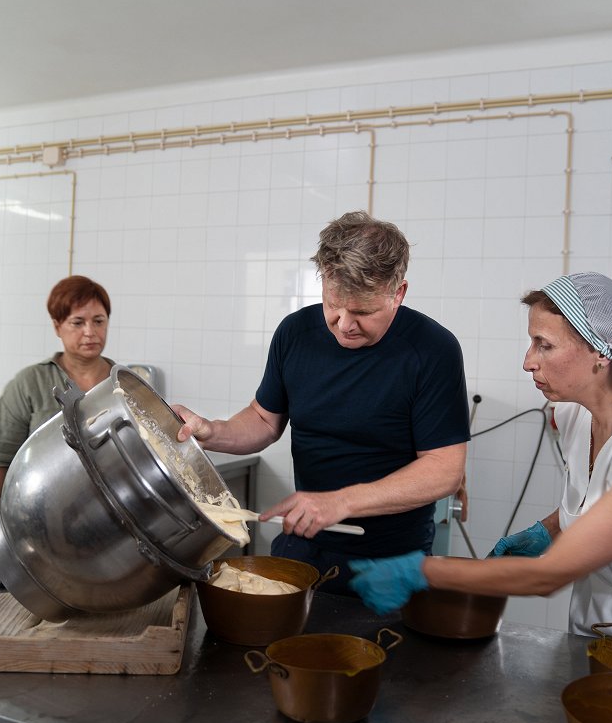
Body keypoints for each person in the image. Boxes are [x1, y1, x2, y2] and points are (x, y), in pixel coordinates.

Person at [174, 211, 470, 594]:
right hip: (305, 542)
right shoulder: (295, 333)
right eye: (334, 304)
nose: (345, 324)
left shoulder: (432, 351)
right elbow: (264, 421)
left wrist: (341, 502)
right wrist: (210, 430)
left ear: (398, 293)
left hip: (392, 556)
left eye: (363, 311)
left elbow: (444, 469)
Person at [349, 271, 612, 637]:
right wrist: (548, 529)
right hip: (593, 623)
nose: (528, 362)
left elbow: (549, 575)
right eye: (530, 342)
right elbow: (599, 497)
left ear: (601, 349)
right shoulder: (572, 414)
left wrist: (420, 571)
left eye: (544, 345)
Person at [0, 276, 114, 568]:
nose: (90, 332)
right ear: (57, 326)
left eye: (99, 321)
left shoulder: (124, 385)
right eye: (77, 322)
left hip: (110, 530)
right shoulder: (30, 383)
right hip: (36, 530)